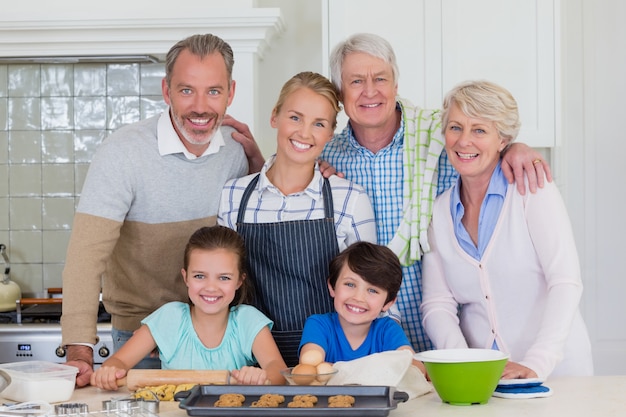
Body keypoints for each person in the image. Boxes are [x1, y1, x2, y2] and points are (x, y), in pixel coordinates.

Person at [224, 32, 553, 354]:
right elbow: (293, 158)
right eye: (356, 81)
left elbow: (481, 142)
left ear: (396, 84)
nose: (370, 91)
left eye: (380, 79)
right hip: (364, 342)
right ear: (340, 93)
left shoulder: (440, 140)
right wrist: (256, 162)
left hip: (451, 333)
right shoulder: (327, 158)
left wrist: (514, 148)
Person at [61, 33, 257, 387]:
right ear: (167, 91)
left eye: (213, 91)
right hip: (142, 338)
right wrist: (79, 349)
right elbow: (85, 256)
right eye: (186, 90)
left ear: (230, 92)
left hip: (219, 336)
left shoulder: (236, 150)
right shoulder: (122, 153)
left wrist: (262, 165)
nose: (200, 106)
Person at [420, 80, 593, 380]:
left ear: (503, 140)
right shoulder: (439, 210)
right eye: (455, 127)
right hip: (484, 381)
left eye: (480, 130)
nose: (464, 141)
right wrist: (463, 362)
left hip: (558, 372)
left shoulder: (533, 191)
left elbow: (565, 282)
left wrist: (536, 364)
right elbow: (437, 302)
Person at [218, 71, 377, 366]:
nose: (305, 133)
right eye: (295, 117)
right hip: (251, 361)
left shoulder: (350, 199)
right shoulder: (234, 195)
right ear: (274, 116)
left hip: (331, 364)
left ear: (331, 133)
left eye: (319, 123)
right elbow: (221, 284)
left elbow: (372, 289)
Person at [90, 226, 287, 390]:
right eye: (199, 276)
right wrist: (109, 371)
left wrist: (259, 376)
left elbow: (278, 370)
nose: (211, 287)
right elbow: (118, 362)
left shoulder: (248, 321)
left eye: (224, 278)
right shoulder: (169, 318)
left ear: (239, 281)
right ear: (185, 277)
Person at [299, 241, 426, 374]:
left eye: (372, 290)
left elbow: (416, 369)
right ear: (332, 286)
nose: (358, 298)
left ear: (388, 303)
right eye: (350, 284)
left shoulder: (387, 330)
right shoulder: (319, 325)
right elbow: (310, 367)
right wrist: (378, 371)